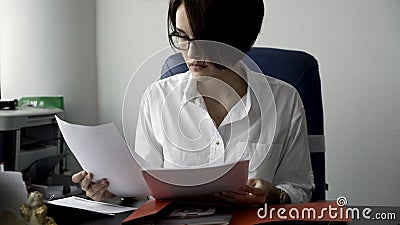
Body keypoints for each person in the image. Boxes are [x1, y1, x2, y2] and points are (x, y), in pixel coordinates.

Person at [72, 0, 314, 207]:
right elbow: (145, 187)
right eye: (182, 37)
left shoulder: (284, 100)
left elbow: (299, 190)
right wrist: (111, 191)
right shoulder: (157, 98)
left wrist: (274, 194)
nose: (191, 52)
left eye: (205, 39)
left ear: (238, 37)